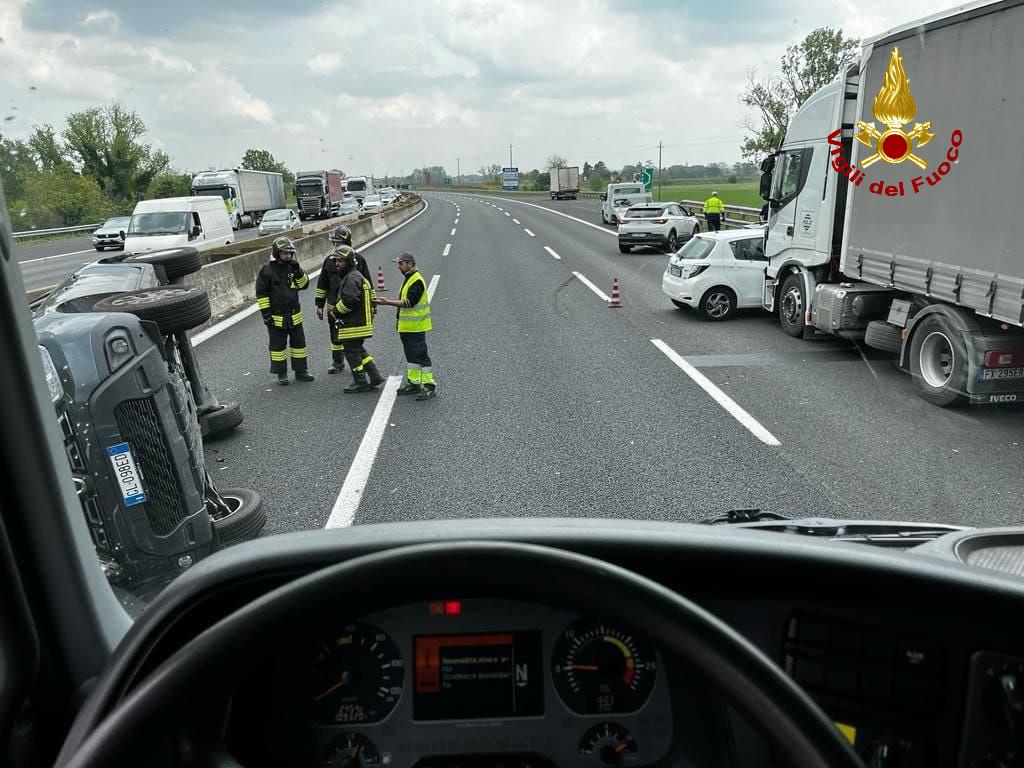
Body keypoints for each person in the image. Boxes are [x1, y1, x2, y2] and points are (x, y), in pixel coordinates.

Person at [374, 252, 435, 400]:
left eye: (400, 264)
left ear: (410, 264)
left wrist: (387, 302)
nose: (398, 267)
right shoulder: (408, 278)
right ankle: (414, 383)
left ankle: (429, 386)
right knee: (411, 357)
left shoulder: (416, 280)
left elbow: (408, 303)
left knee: (421, 356)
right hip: (407, 327)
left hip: (416, 327)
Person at [255, 237, 313, 385]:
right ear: (276, 253)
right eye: (284, 253)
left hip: (294, 316)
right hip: (276, 318)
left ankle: (301, 372)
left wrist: (298, 271)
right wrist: (266, 314)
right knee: (278, 348)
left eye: (290, 253)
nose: (288, 256)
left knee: (299, 345)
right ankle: (282, 374)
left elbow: (304, 284)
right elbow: (261, 294)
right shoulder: (266, 270)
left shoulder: (293, 268)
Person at [315, 227, 369, 374]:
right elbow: (323, 284)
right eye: (335, 243)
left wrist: (372, 306)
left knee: (354, 338)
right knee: (335, 335)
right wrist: (320, 304)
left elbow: (367, 284)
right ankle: (338, 362)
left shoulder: (358, 259)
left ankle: (358, 366)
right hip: (333, 306)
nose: (336, 246)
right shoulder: (329, 261)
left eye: (339, 242)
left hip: (353, 308)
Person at [332, 246, 385, 393]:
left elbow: (350, 300)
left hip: (354, 324)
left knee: (351, 352)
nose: (337, 263)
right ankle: (375, 376)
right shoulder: (355, 276)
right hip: (360, 323)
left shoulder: (352, 278)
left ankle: (360, 381)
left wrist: (336, 311)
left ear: (348, 261)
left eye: (340, 260)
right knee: (359, 350)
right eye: (336, 260)